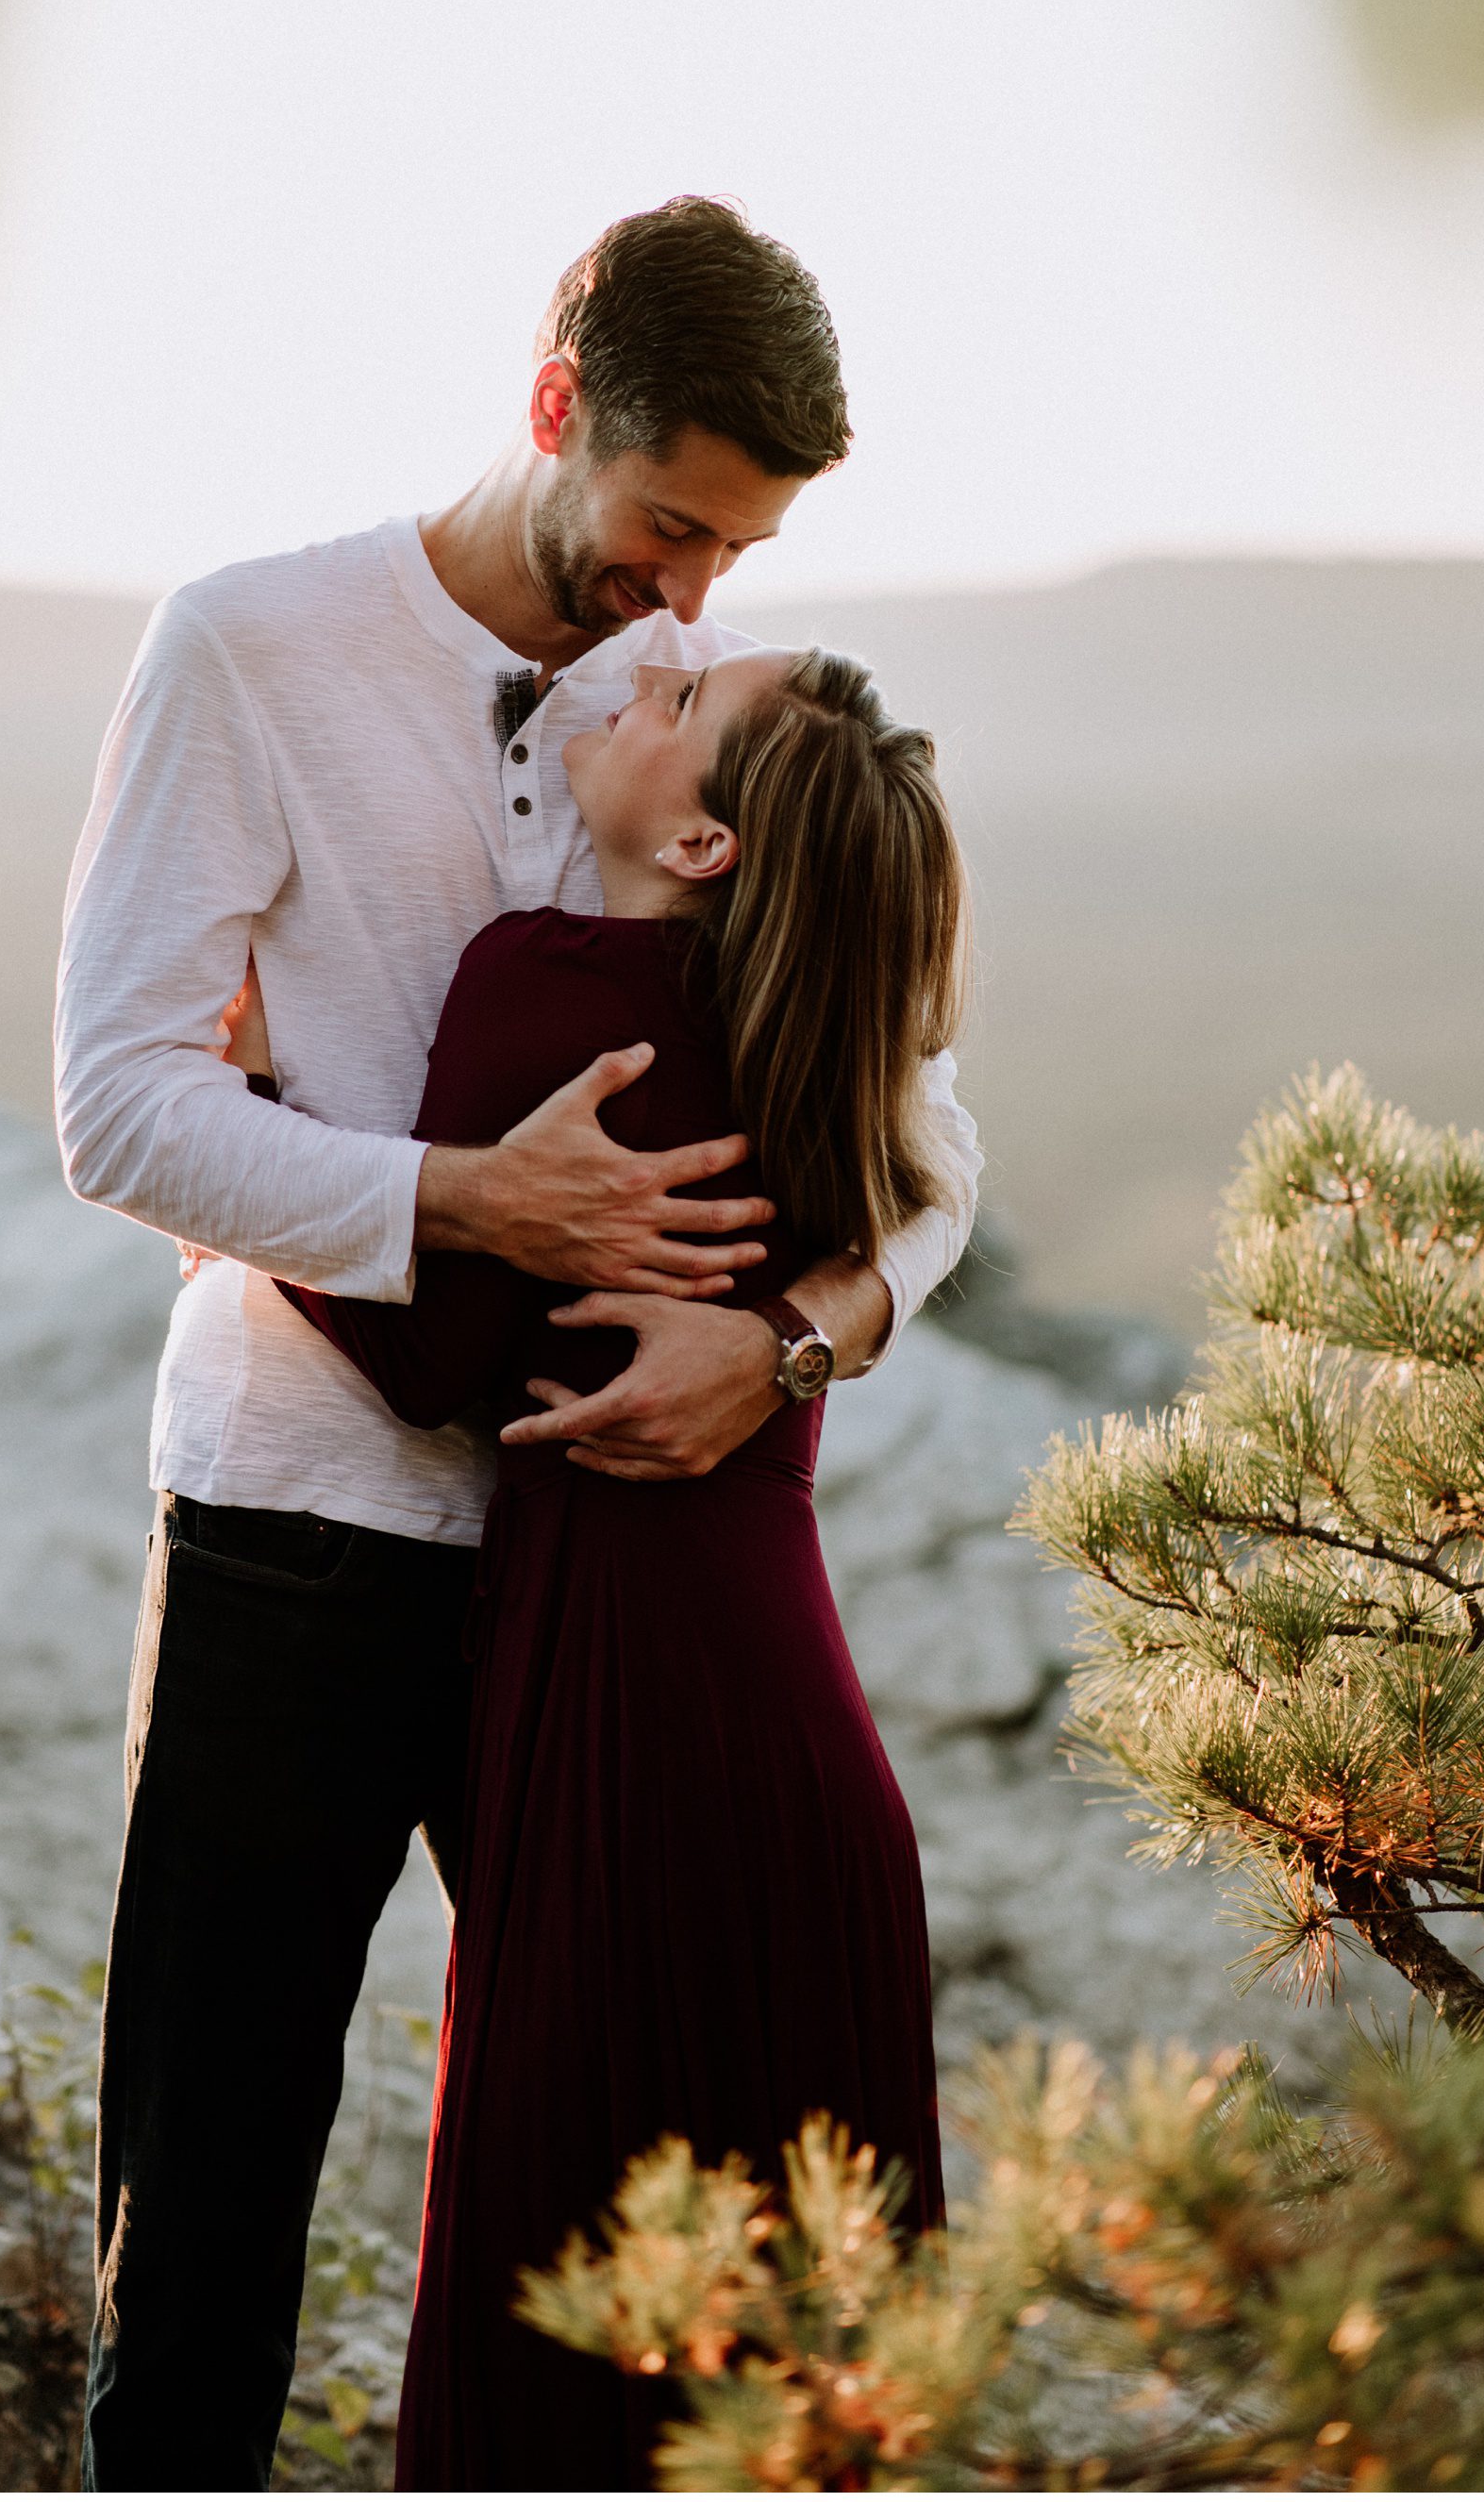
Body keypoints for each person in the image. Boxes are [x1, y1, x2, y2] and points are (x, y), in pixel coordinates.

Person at [55, 196, 981, 2493]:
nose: (685, 596)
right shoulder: (244, 649)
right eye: (668, 526)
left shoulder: (699, 711)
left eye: (731, 556)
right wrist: (455, 1202)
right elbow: (118, 1102)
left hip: (595, 1575)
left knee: (626, 2162)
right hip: (299, 1524)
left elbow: (934, 1133)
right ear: (555, 408)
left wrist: (781, 1346)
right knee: (211, 2192)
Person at [231, 640, 965, 2491]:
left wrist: (258, 1150)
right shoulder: (830, 1036)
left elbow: (433, 1360)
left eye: (678, 712)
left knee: (561, 2293)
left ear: (704, 836)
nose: (648, 689)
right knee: (794, 2365)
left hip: (621, 1725)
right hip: (801, 1753)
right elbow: (936, 1180)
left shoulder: (554, 984)